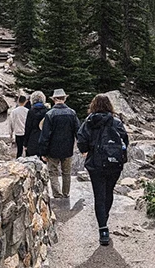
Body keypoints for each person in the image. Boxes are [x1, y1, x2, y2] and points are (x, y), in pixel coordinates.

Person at [77, 94, 129, 246]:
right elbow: (125, 140)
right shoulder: (116, 122)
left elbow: (81, 139)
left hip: (96, 163)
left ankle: (103, 229)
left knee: (99, 195)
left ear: (93, 105)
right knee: (109, 192)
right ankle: (104, 218)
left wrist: (86, 150)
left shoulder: (89, 121)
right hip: (114, 163)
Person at [39, 88, 80, 199]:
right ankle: (66, 193)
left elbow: (45, 135)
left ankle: (57, 194)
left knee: (53, 172)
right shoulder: (72, 113)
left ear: (54, 99)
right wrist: (82, 147)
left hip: (53, 150)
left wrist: (43, 152)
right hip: (67, 149)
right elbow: (78, 131)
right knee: (66, 173)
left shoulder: (50, 114)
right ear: (64, 99)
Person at [24, 91, 47, 156]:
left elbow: (28, 127)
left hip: (32, 139)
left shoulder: (31, 111)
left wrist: (25, 143)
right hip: (43, 139)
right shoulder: (47, 111)